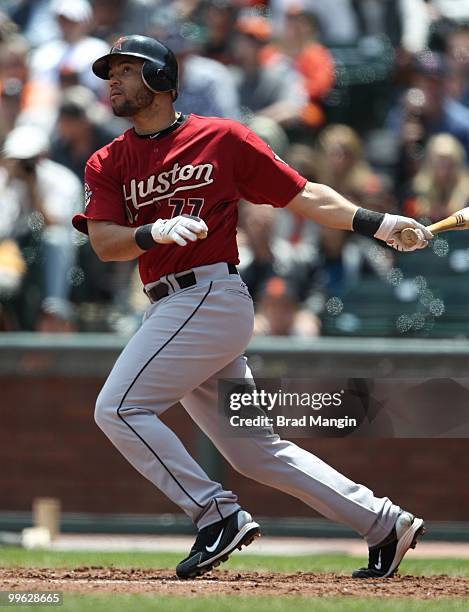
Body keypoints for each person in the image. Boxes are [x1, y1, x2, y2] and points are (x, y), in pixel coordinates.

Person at [72, 34, 431, 580]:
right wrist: (154, 231)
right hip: (172, 305)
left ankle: (215, 515)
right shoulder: (108, 159)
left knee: (118, 408)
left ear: (159, 79)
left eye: (125, 69)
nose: (112, 80)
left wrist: (377, 223)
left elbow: (304, 194)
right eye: (110, 72)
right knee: (254, 450)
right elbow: (104, 242)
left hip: (209, 296)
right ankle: (383, 522)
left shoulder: (220, 138)